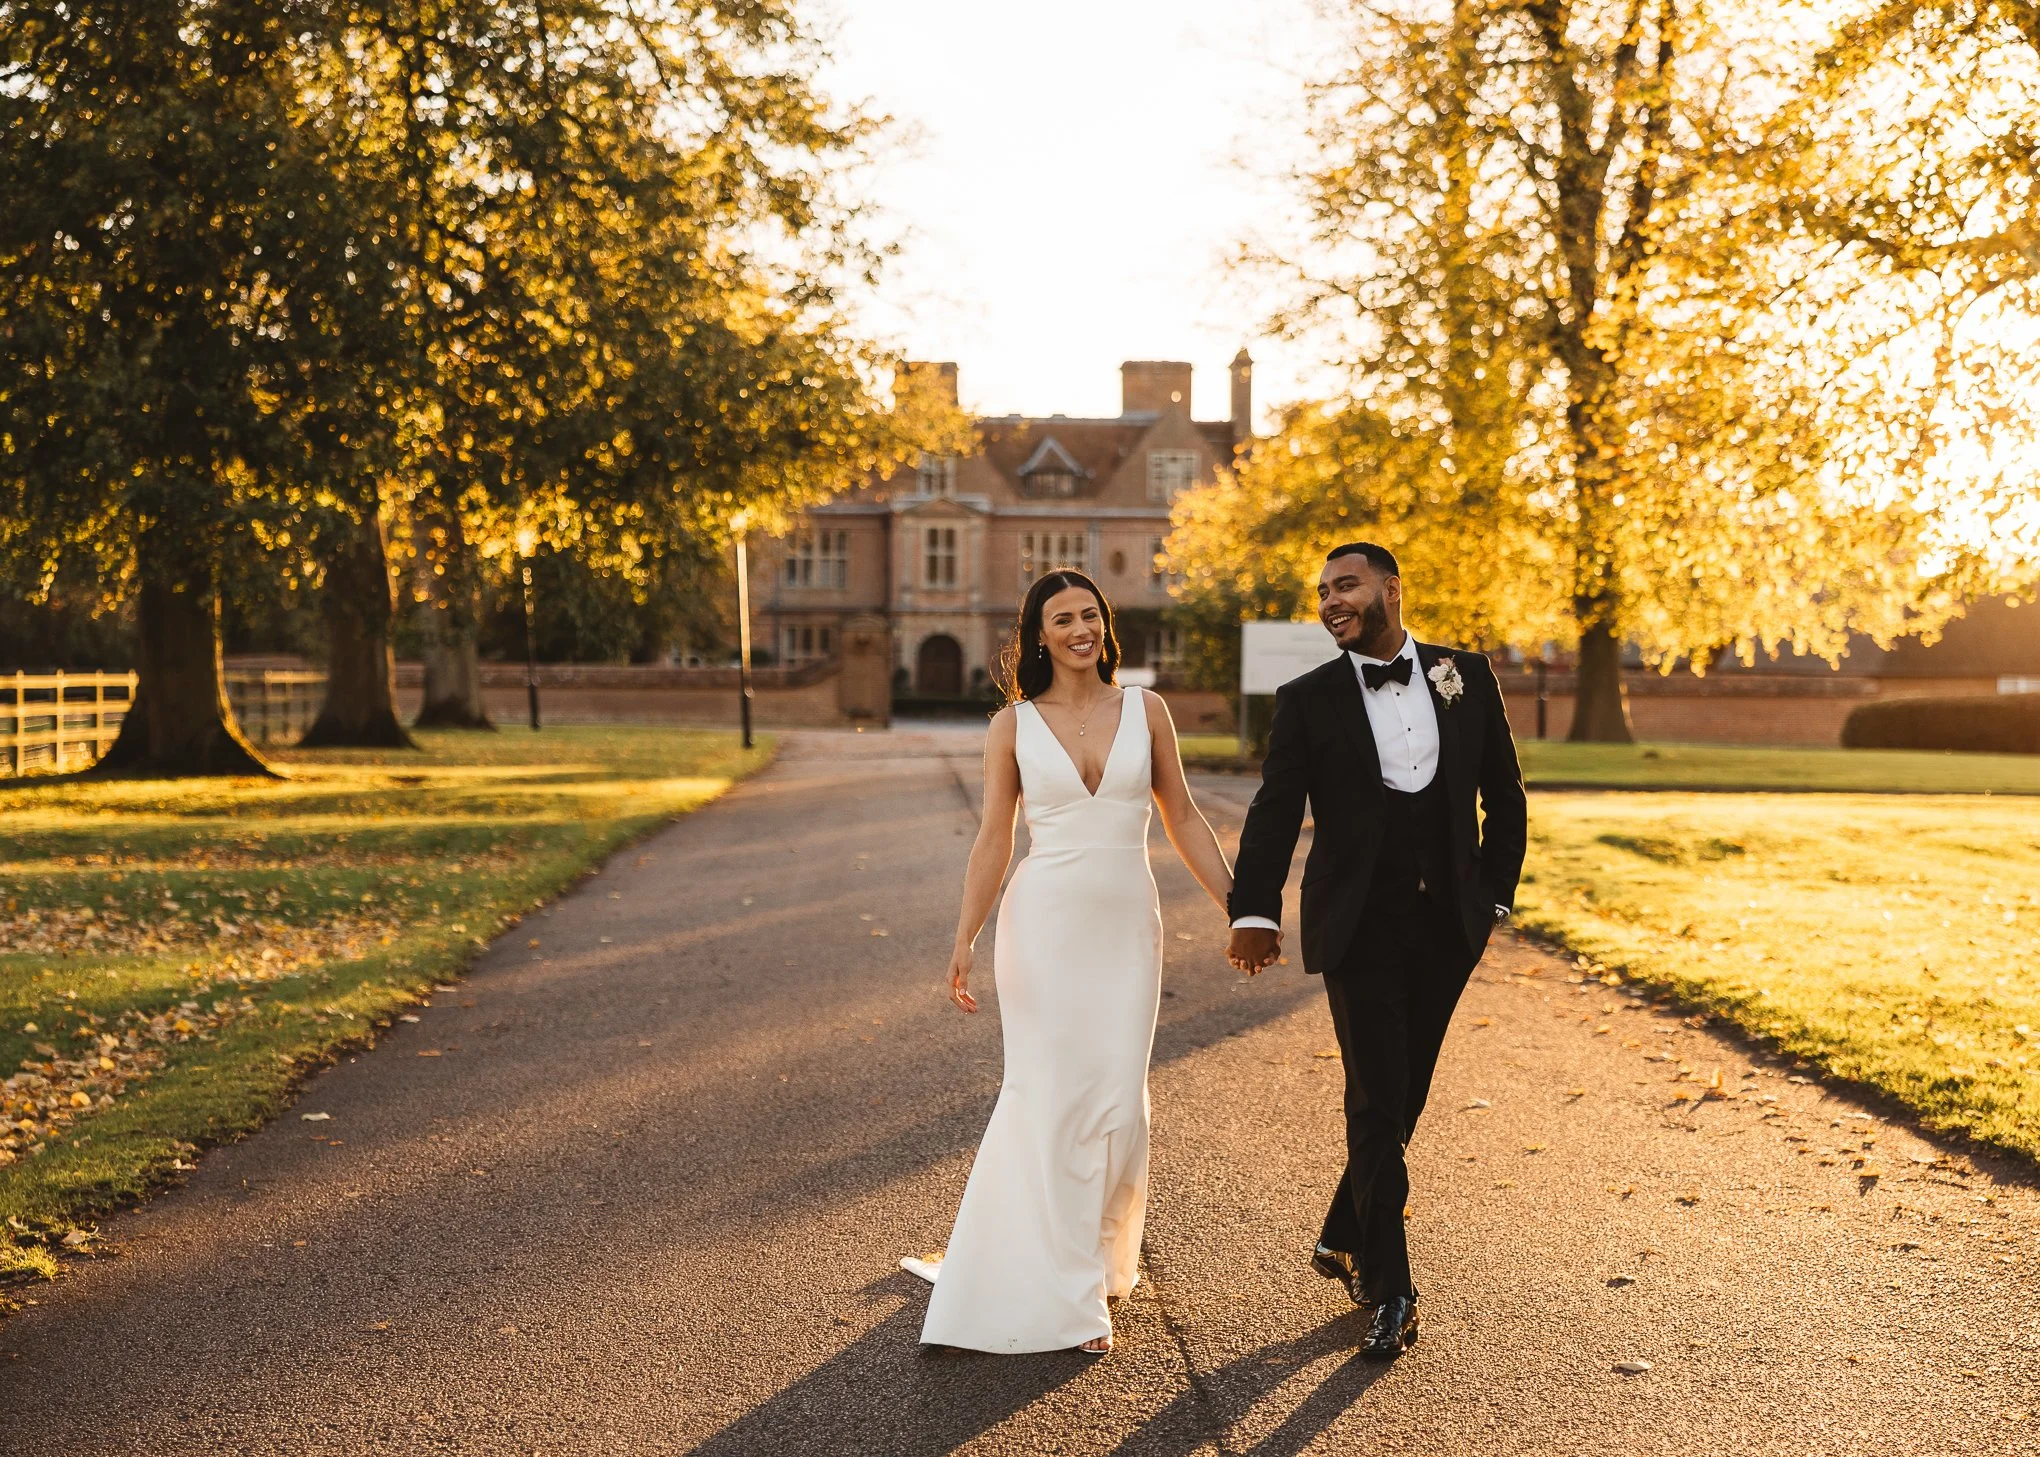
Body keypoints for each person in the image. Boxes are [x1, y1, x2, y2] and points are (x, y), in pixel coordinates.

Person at [904, 569, 1237, 1355]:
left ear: (1103, 625)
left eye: (1091, 614)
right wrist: (965, 935)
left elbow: (1181, 813)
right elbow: (994, 837)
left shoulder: (1147, 710)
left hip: (1126, 926)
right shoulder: (1012, 725)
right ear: (1039, 634)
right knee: (1048, 1093)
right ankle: (1071, 1291)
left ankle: (1087, 1258)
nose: (1081, 628)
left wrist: (1240, 903)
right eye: (1063, 618)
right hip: (1042, 927)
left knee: (1117, 1099)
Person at [1226, 542, 1526, 1361]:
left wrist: (1494, 896)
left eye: (1346, 585)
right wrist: (1254, 908)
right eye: (1322, 591)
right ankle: (1391, 1287)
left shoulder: (1466, 673)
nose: (1330, 600)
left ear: (1392, 588)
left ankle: (1342, 1228)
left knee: (1405, 1095)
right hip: (1356, 924)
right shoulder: (1308, 699)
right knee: (1372, 1098)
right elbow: (1274, 811)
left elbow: (1505, 791)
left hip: (1449, 925)